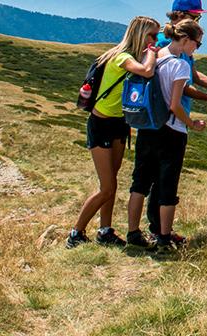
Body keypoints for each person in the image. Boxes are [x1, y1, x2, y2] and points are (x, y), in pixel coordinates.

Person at [144, 0, 207, 241]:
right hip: (168, 118)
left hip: (169, 118)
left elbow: (193, 75)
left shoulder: (179, 40)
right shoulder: (169, 42)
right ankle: (158, 231)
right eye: (197, 16)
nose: (199, 21)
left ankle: (158, 229)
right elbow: (179, 85)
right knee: (163, 175)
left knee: (158, 175)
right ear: (181, 16)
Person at [66, 16, 160, 249]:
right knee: (106, 187)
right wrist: (152, 52)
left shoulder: (129, 56)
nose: (154, 40)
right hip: (101, 124)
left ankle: (105, 231)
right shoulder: (121, 57)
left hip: (120, 124)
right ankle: (75, 233)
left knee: (112, 183)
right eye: (151, 35)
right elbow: (147, 71)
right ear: (139, 35)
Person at [126, 18, 207, 251]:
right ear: (184, 39)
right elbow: (175, 105)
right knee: (166, 186)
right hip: (171, 131)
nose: (197, 48)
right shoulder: (180, 65)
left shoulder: (155, 55)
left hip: (147, 128)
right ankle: (163, 238)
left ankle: (133, 233)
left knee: (139, 183)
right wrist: (192, 124)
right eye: (197, 44)